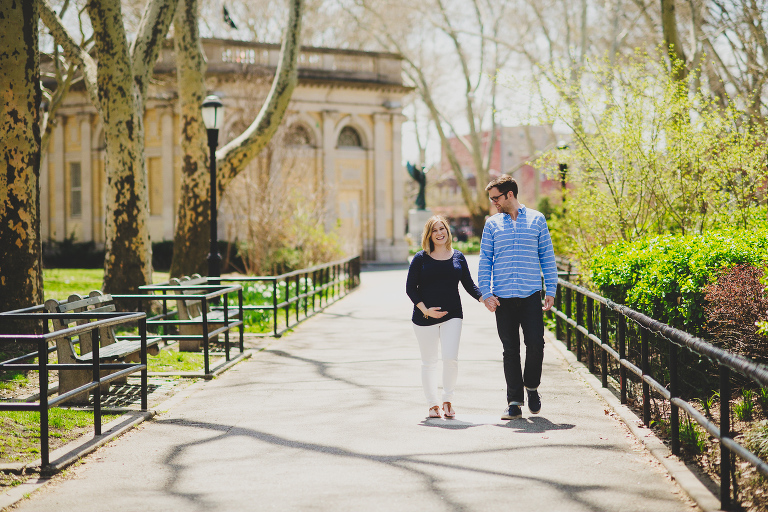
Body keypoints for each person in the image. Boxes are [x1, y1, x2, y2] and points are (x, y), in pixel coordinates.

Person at [478, 175, 558, 420]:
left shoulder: (537, 219)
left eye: (496, 198)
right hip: (503, 298)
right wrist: (486, 293)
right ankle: (514, 402)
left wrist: (551, 289)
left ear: (509, 194)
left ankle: (532, 387)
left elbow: (547, 256)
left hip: (531, 294)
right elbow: (485, 261)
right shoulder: (492, 225)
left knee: (536, 345)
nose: (494, 203)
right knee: (510, 350)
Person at [406, 215, 483, 419]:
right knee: (429, 362)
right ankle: (432, 404)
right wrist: (425, 310)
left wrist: (484, 298)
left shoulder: (458, 256)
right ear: (429, 235)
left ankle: (447, 400)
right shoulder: (420, 258)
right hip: (424, 318)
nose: (439, 233)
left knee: (450, 359)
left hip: (453, 315)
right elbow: (410, 289)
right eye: (435, 230)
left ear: (448, 232)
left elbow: (469, 284)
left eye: (443, 229)